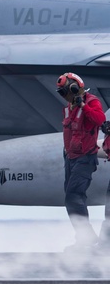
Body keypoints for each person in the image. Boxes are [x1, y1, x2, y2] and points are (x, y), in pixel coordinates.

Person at [56, 72, 105, 251]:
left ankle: (87, 238)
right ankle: (84, 238)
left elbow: (100, 120)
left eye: (66, 91)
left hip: (85, 158)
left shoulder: (91, 102)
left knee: (73, 196)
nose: (65, 96)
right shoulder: (68, 107)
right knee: (72, 198)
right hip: (70, 158)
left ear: (76, 88)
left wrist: (83, 106)